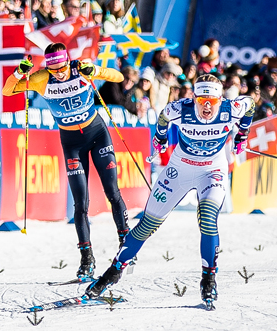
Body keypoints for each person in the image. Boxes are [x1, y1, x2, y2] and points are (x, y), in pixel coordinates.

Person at [85, 78, 255, 309]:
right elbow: (164, 116)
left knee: (207, 219)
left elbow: (250, 105)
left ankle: (208, 280)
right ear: (194, 98)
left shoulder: (231, 108)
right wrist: (161, 137)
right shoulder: (181, 108)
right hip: (180, 169)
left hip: (212, 170)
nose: (207, 106)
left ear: (220, 99)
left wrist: (242, 133)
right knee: (146, 225)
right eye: (202, 100)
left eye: (212, 101)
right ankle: (113, 273)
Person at [3, 42, 130, 280]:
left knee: (112, 192)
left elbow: (119, 76)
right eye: (54, 70)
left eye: (62, 68)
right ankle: (87, 259)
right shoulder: (41, 78)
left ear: (67, 62)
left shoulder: (81, 68)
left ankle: (126, 244)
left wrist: (96, 71)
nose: (59, 74)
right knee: (80, 203)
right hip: (72, 143)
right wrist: (19, 72)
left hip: (97, 135)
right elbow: (8, 91)